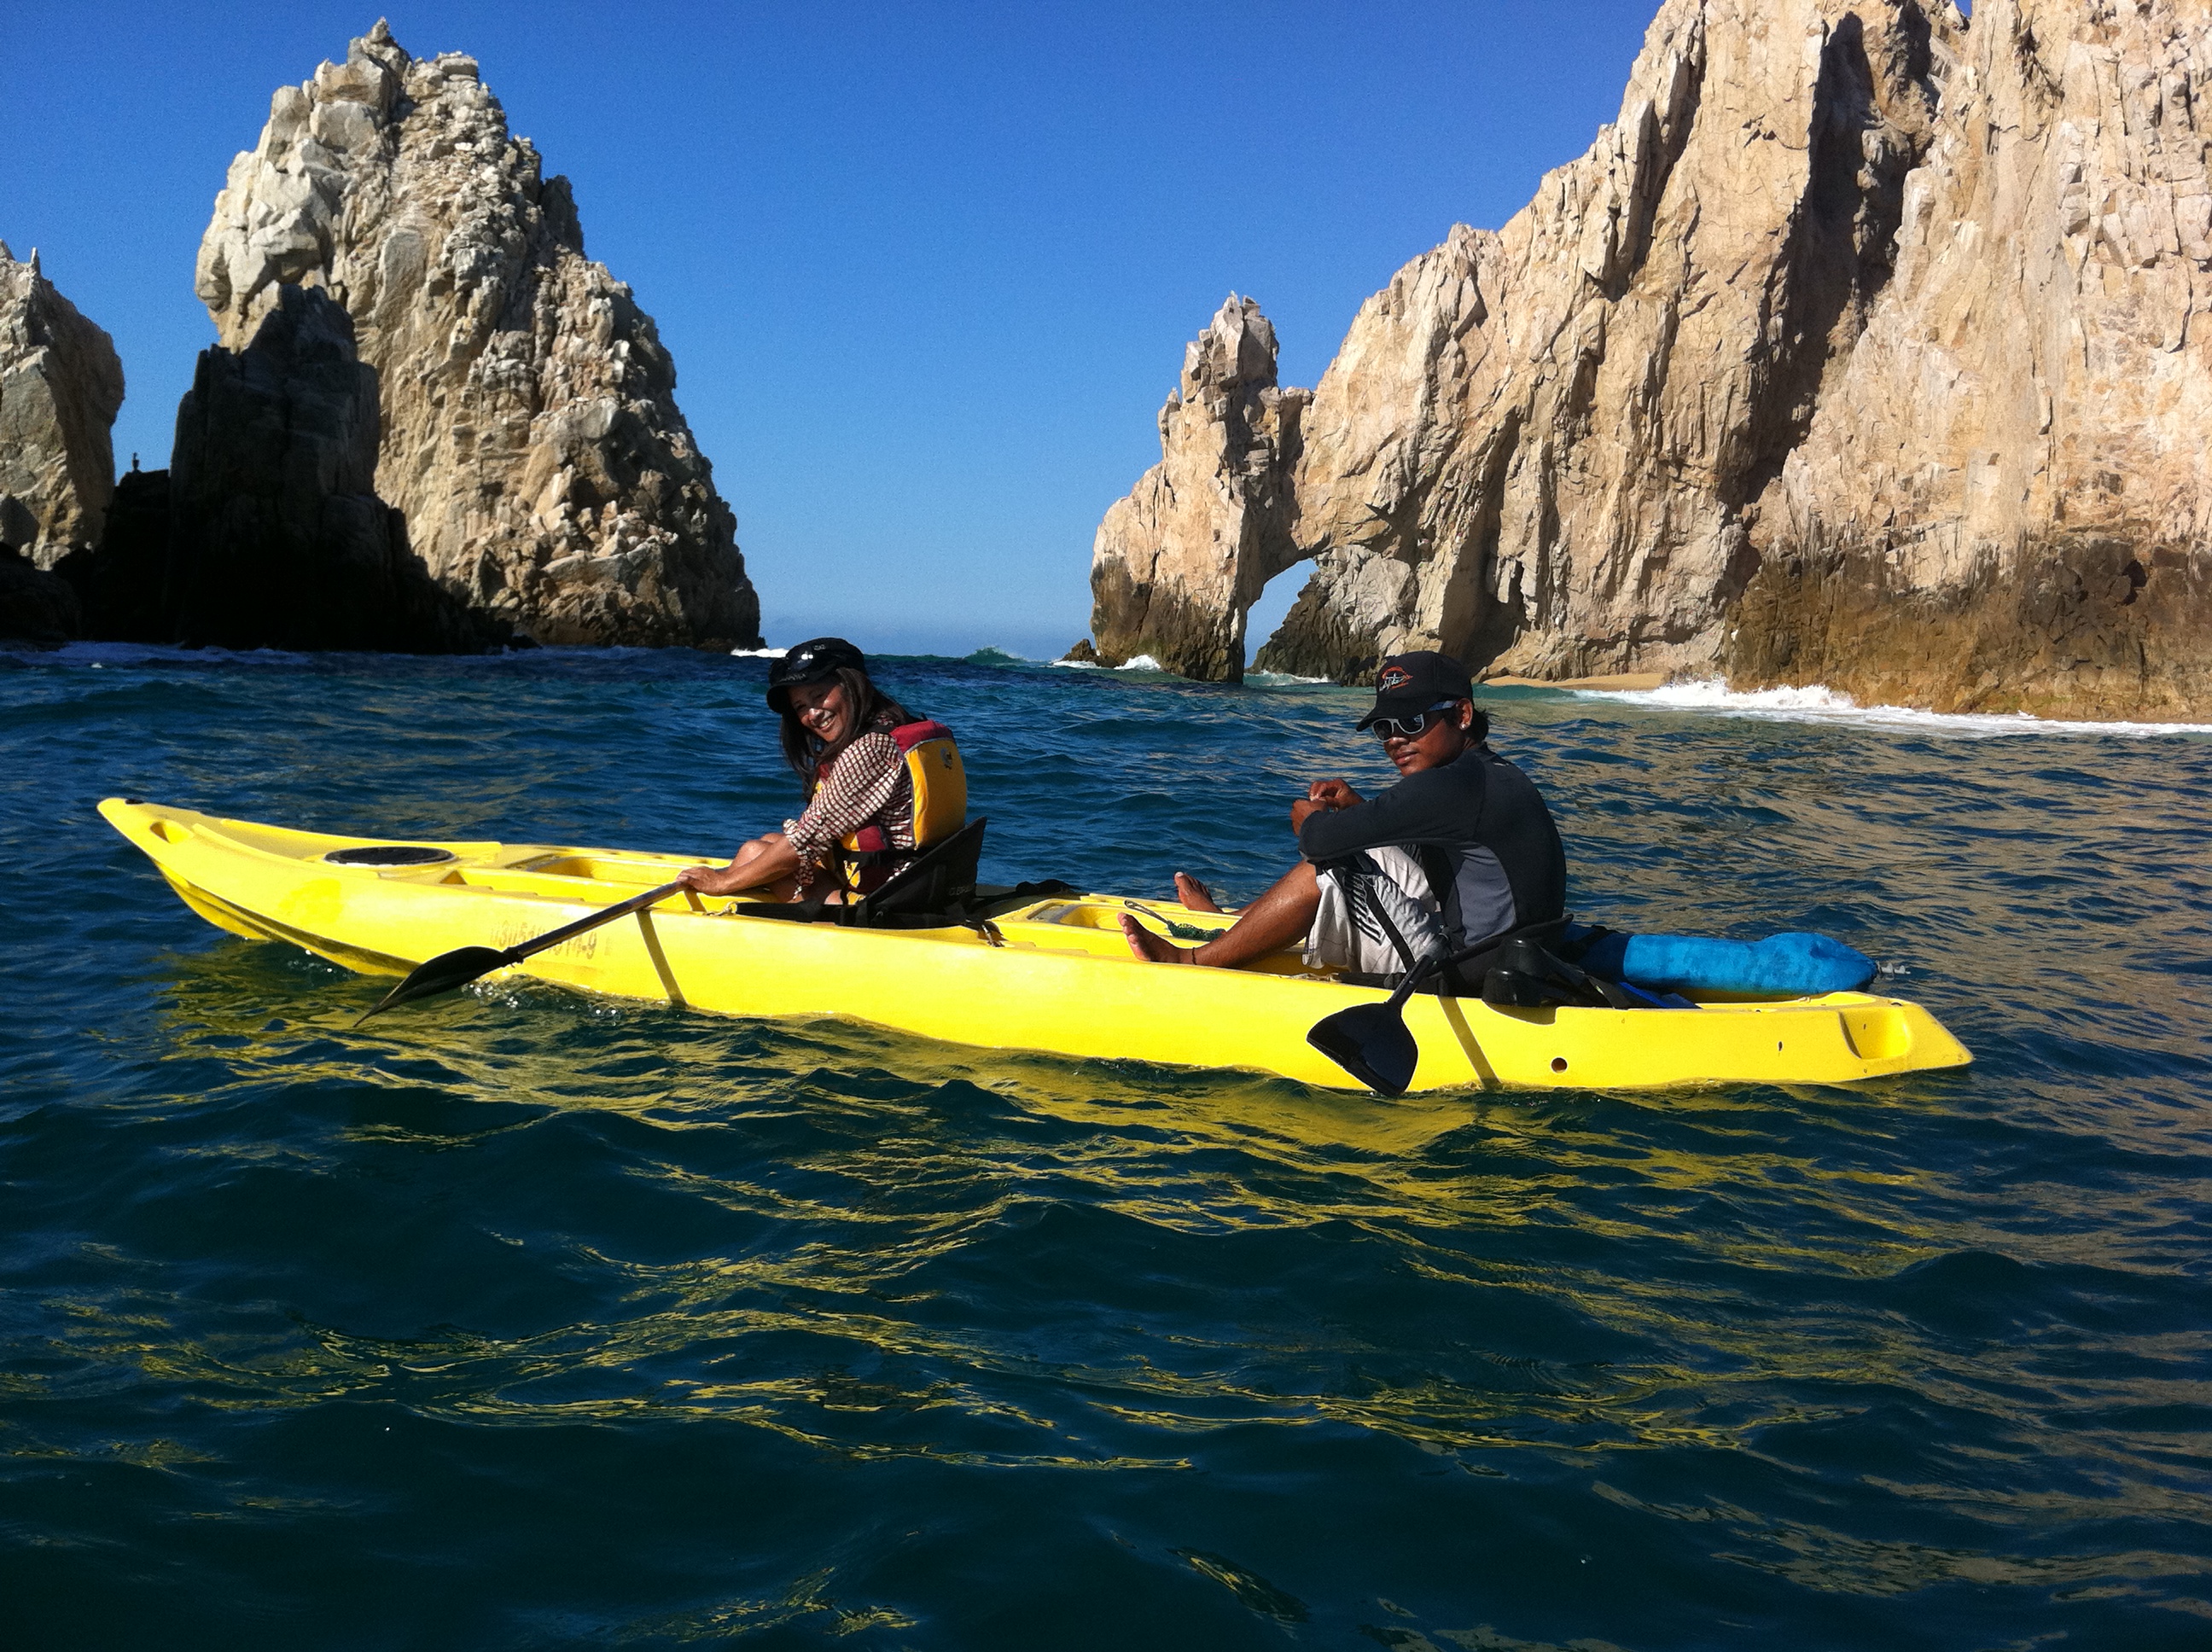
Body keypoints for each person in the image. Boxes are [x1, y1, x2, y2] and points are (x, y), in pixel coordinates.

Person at [1120, 650, 1564, 980]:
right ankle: (1235, 924)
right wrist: (1354, 809)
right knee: (1348, 843)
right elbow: (1429, 850)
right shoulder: (1487, 775)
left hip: (1468, 969)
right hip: (1511, 954)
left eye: (1411, 723)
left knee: (1328, 863)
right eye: (1384, 728)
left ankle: (1191, 960)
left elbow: (1320, 843)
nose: (1394, 740)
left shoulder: (1451, 783)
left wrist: (1310, 820)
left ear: (1462, 715)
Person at [677, 638, 965, 903]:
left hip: (887, 903)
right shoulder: (901, 728)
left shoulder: (872, 748)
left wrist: (723, 881)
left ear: (852, 683)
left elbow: (806, 838)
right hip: (924, 884)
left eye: (819, 695)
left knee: (757, 852)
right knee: (769, 843)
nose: (813, 714)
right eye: (801, 706)